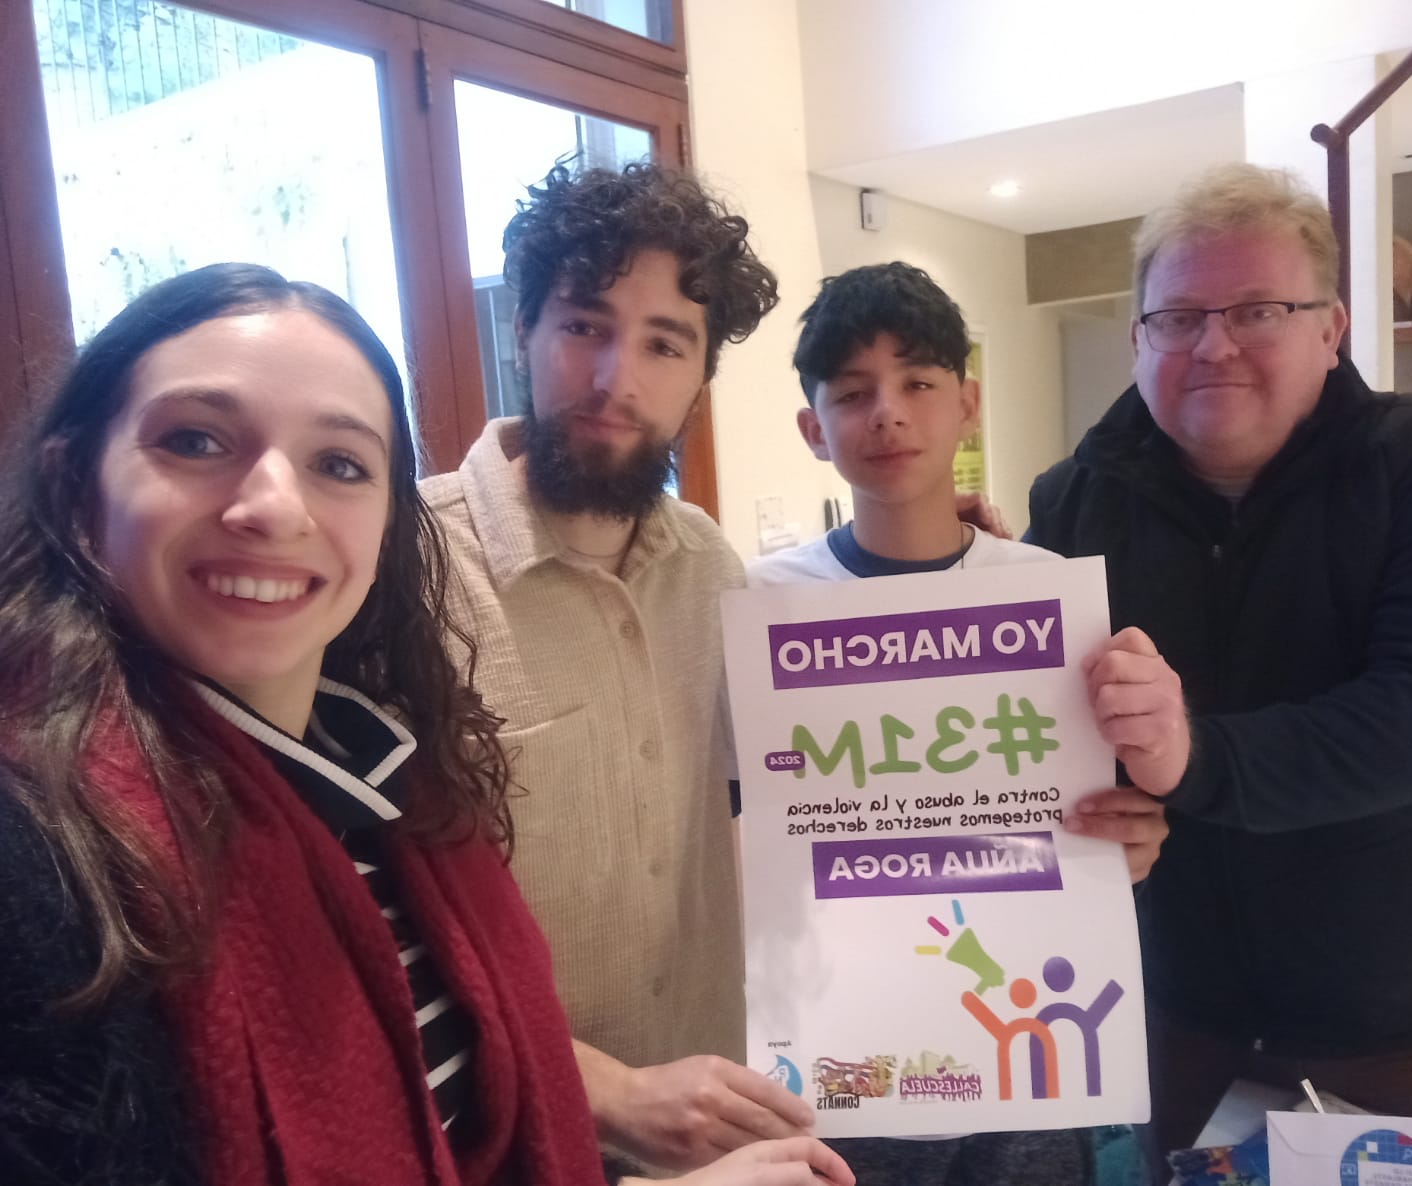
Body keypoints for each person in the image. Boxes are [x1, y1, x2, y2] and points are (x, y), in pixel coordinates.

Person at [0, 263, 852, 1186]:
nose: (275, 508)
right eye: (195, 440)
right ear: (74, 482)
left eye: (339, 464)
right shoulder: (41, 855)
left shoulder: (388, 781)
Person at [1023, 164, 1412, 1163]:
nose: (1213, 344)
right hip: (1179, 1016)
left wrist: (1196, 758)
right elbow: (1050, 740)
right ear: (1138, 338)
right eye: (1178, 317)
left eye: (1257, 310)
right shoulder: (1071, 501)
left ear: (1330, 328)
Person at [421, 161, 816, 1173]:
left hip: (713, 1125)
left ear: (701, 375)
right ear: (524, 330)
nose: (616, 380)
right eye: (583, 326)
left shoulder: (711, 566)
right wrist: (605, 1090)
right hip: (504, 1139)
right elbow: (354, 917)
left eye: (664, 344)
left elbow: (819, 797)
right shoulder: (403, 573)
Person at [747, 261, 1170, 1186]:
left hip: (1023, 1048)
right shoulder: (763, 604)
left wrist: (1124, 846)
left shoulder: (1045, 591)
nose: (886, 414)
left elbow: (1098, 808)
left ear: (968, 404)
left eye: (918, 383)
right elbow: (744, 814)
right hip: (847, 1049)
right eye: (851, 394)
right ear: (812, 430)